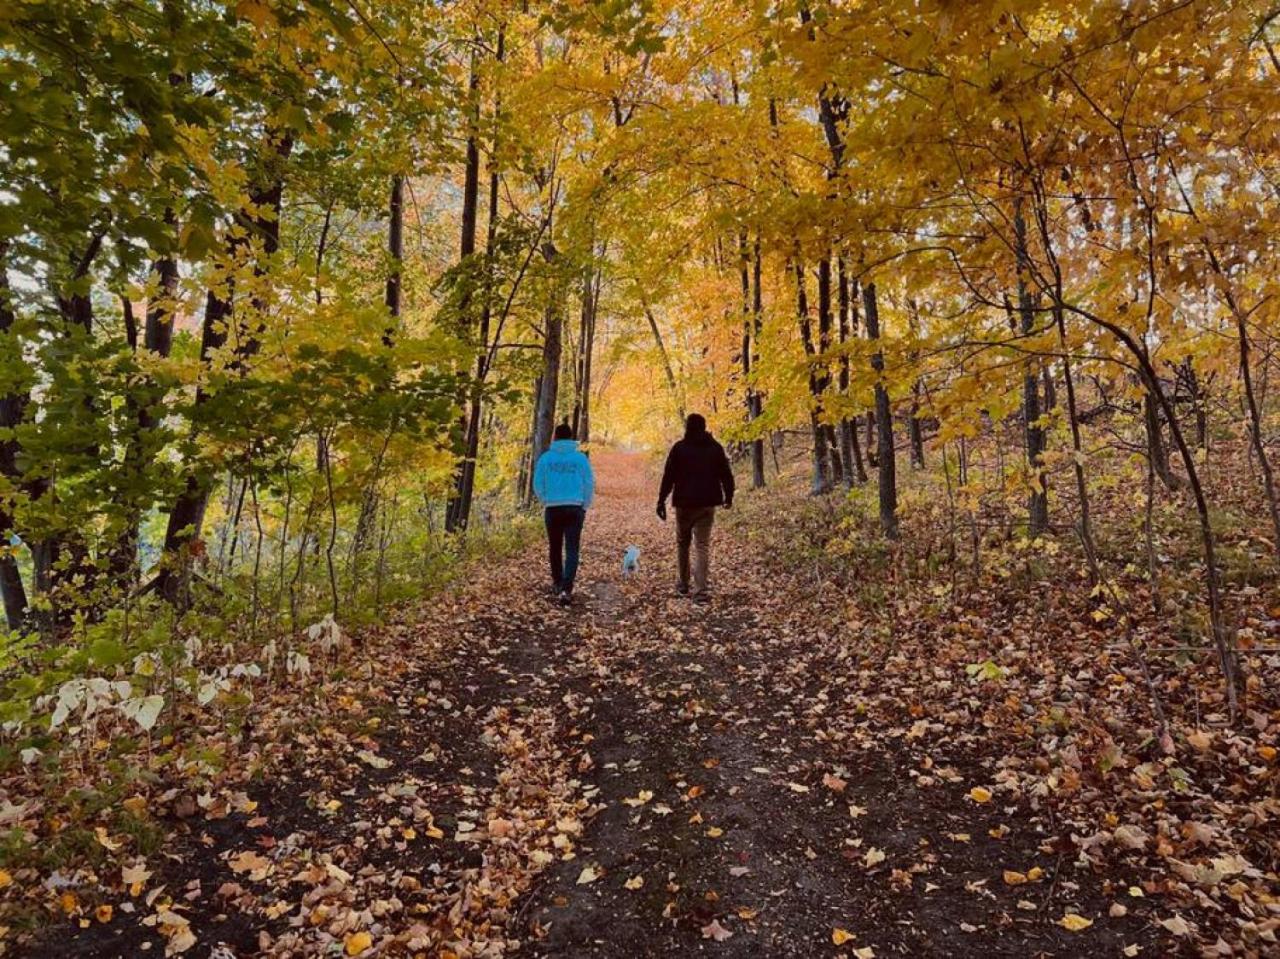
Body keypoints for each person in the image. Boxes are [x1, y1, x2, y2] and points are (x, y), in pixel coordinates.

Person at [656, 413, 735, 601]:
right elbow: (726, 474)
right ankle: (700, 590)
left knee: (683, 543)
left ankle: (683, 584)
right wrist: (728, 496)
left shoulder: (679, 448)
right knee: (702, 546)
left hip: (684, 505)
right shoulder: (715, 449)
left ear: (688, 427)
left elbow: (669, 476)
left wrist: (661, 500)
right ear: (704, 427)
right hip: (707, 505)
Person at [533, 421, 594, 605]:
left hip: (553, 508)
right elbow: (589, 482)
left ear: (555, 437)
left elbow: (537, 484)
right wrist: (585, 504)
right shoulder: (580, 459)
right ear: (571, 438)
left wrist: (545, 500)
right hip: (574, 507)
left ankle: (557, 583)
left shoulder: (546, 458)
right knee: (572, 548)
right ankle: (567, 589)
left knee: (555, 547)